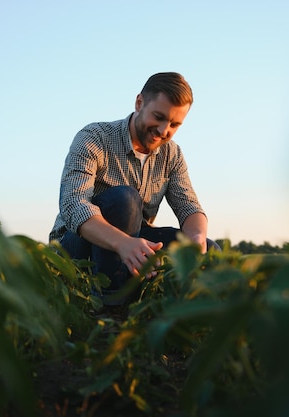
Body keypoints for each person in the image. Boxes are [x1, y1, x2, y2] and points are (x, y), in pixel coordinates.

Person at [49, 72, 219, 306]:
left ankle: (187, 314)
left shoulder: (172, 155)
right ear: (139, 103)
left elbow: (188, 205)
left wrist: (196, 237)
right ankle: (111, 310)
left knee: (210, 249)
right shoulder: (94, 138)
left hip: (133, 244)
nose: (163, 130)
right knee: (125, 200)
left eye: (174, 124)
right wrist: (122, 242)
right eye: (158, 117)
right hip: (76, 247)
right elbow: (73, 206)